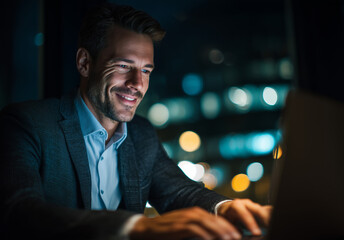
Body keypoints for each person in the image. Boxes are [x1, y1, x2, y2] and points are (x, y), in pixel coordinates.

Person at [0, 3, 271, 240]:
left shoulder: (142, 134)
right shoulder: (26, 124)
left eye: (145, 70)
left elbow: (179, 193)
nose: (137, 84)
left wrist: (226, 208)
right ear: (84, 63)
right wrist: (135, 228)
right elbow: (18, 212)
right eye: (123, 66)